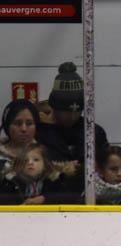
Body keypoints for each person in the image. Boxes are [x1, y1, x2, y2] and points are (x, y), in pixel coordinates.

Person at [36, 62, 110, 198]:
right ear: (54, 107)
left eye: (77, 111)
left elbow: (108, 168)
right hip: (48, 200)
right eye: (65, 111)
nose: (72, 116)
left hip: (86, 199)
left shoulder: (93, 132)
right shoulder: (39, 132)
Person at [0, 144, 72, 205]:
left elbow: (68, 197)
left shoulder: (52, 182)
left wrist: (44, 198)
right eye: (25, 160)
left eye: (36, 160)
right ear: (19, 165)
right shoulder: (12, 182)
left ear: (45, 165)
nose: (30, 163)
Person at [0, 99, 40, 182]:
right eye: (17, 123)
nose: (24, 129)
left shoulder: (43, 153)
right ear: (7, 125)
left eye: (29, 123)